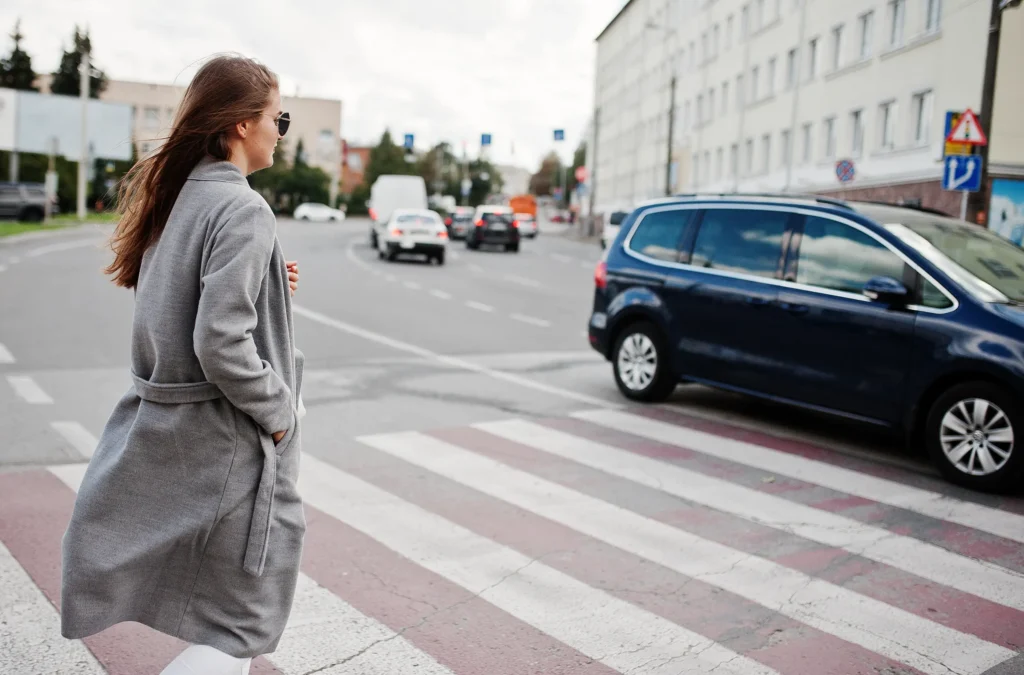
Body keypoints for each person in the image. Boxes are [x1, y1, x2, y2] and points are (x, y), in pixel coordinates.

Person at [60, 54, 305, 675]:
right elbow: (220, 341)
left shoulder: (179, 197)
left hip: (178, 430)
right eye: (279, 117)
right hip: (230, 437)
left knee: (223, 613)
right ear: (243, 124)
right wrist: (280, 414)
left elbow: (177, 298)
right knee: (239, 625)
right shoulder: (244, 208)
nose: (283, 131)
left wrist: (270, 281)